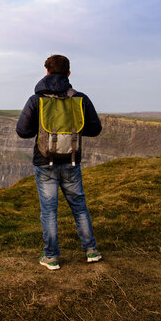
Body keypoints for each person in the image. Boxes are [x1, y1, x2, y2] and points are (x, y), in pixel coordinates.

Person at [16, 54, 102, 270]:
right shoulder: (80, 99)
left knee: (49, 211)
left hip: (45, 162)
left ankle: (52, 256)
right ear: (68, 73)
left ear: (46, 72)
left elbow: (22, 131)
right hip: (72, 160)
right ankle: (91, 250)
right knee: (79, 207)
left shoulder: (36, 100)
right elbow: (95, 128)